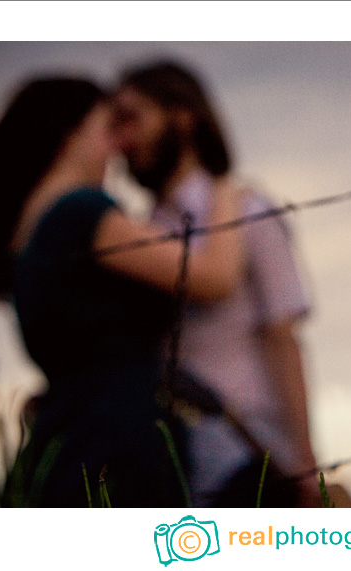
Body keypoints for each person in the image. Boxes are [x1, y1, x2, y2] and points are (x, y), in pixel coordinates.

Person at [0, 77, 245, 507]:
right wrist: (225, 184)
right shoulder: (80, 212)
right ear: (69, 134)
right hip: (120, 442)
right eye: (106, 130)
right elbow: (214, 278)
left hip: (65, 439)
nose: (118, 147)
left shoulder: (24, 231)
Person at [111, 61, 321, 507]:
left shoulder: (248, 210)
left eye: (133, 118)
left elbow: (281, 334)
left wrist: (303, 460)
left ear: (183, 116)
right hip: (172, 458)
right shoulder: (141, 230)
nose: (122, 140)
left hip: (250, 449)